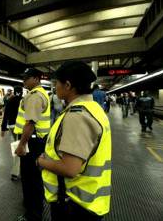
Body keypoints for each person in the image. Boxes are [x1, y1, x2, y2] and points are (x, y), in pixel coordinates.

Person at [37, 61, 112, 221]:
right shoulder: (94, 108)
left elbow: (70, 169)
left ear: (68, 85)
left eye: (56, 82)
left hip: (73, 204)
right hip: (88, 200)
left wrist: (41, 162)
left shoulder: (77, 116)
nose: (55, 86)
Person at [14, 68, 51, 221]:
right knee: (34, 176)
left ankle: (33, 214)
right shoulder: (39, 94)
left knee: (30, 178)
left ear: (36, 79)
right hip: (37, 141)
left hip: (32, 142)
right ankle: (34, 206)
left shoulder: (35, 97)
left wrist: (21, 145)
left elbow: (29, 124)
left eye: (26, 78)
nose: (24, 81)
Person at [3, 85, 23, 181]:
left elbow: (5, 114)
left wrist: (3, 128)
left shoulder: (10, 100)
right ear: (21, 92)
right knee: (20, 146)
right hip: (19, 127)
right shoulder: (22, 100)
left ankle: (18, 170)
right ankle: (15, 172)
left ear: (14, 92)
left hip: (11, 126)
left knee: (17, 144)